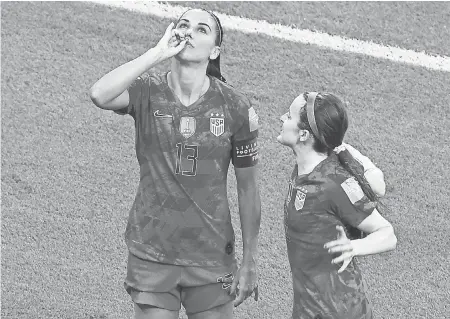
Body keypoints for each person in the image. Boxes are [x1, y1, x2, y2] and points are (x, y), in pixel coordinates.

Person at [89, 9, 260, 319]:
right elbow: (100, 94)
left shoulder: (236, 107)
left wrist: (250, 261)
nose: (190, 32)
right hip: (153, 249)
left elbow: (248, 190)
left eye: (202, 29)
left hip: (210, 253)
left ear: (215, 51)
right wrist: (157, 53)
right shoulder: (147, 91)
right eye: (184, 25)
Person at [276, 92, 397, 319]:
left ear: (303, 134)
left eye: (288, 116)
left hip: (338, 311)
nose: (281, 119)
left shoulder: (333, 183)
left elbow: (387, 234)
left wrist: (354, 248)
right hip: (309, 308)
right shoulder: (306, 169)